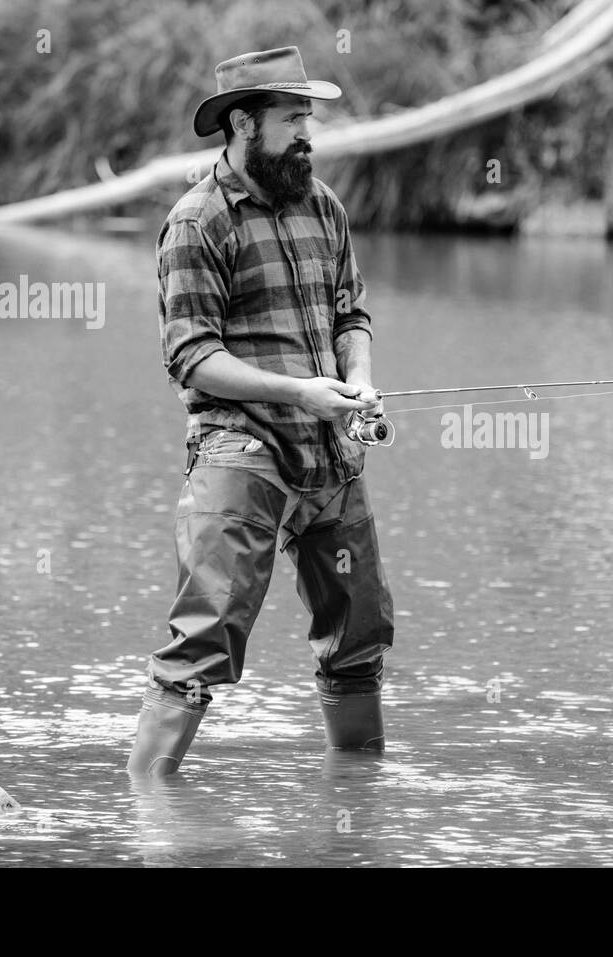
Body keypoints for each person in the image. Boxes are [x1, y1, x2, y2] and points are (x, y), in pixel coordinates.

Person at [127, 46, 395, 777]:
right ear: (243, 123)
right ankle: (149, 806)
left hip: (330, 452)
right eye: (292, 117)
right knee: (204, 641)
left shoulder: (325, 206)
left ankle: (359, 798)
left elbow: (351, 314)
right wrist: (299, 391)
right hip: (239, 448)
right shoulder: (196, 223)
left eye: (308, 116)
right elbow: (192, 358)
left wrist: (358, 381)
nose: (308, 132)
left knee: (360, 634)